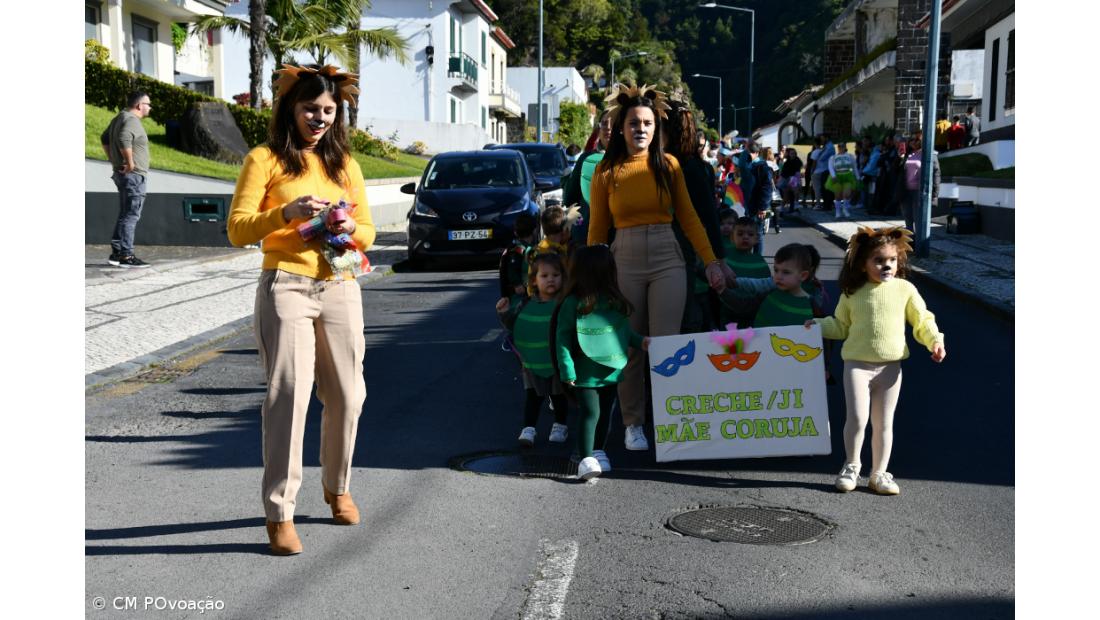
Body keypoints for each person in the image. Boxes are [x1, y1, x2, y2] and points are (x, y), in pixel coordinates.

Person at [227, 64, 376, 556]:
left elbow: (371, 234)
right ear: (291, 109)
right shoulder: (264, 159)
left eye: (329, 110)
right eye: (311, 108)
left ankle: (337, 487)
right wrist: (285, 214)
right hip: (286, 284)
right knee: (289, 396)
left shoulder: (345, 165)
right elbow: (238, 229)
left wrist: (346, 224)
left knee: (349, 395)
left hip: (340, 282)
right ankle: (280, 513)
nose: (320, 118)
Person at [587, 83, 726, 451]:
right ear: (621, 127)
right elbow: (597, 228)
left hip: (668, 257)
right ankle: (633, 423)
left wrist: (711, 262)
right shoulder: (606, 170)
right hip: (624, 260)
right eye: (634, 123)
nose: (641, 129)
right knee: (630, 346)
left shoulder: (669, 165)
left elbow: (691, 219)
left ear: (656, 128)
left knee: (667, 345)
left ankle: (672, 422)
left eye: (648, 123)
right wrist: (591, 279)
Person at [807, 227, 946, 495]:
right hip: (857, 365)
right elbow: (840, 326)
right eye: (879, 260)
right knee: (857, 418)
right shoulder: (852, 294)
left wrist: (935, 340)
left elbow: (923, 320)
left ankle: (879, 474)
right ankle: (851, 465)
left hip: (890, 368)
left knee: (884, 422)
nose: (887, 265)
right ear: (863, 264)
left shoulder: (905, 289)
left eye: (892, 260)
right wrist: (818, 325)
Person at [554, 244, 649, 479]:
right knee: (590, 413)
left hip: (610, 371)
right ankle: (585, 459)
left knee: (605, 414)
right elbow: (562, 339)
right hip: (584, 374)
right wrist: (567, 370)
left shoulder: (613, 300)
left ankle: (597, 451)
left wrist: (641, 342)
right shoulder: (571, 303)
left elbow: (621, 331)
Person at [662, 99, 730, 334]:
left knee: (682, 316)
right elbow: (710, 216)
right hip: (685, 249)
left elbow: (708, 216)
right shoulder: (698, 167)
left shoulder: (683, 168)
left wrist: (718, 260)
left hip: (679, 248)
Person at [496, 253, 571, 448]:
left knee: (558, 394)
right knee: (533, 396)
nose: (551, 279)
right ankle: (529, 428)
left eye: (555, 275)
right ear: (534, 281)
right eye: (544, 276)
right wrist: (504, 313)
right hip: (532, 361)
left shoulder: (565, 304)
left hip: (556, 360)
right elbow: (514, 325)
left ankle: (560, 425)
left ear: (563, 277)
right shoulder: (526, 304)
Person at [101, 91, 154, 268]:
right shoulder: (131, 120)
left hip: (125, 175)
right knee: (131, 215)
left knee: (125, 214)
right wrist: (130, 163)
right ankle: (126, 256)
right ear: (139, 105)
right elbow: (124, 137)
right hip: (133, 175)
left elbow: (104, 138)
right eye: (148, 104)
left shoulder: (119, 118)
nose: (150, 107)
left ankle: (117, 253)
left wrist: (113, 159)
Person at [564, 111, 612, 244]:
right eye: (604, 123)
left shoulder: (629, 160)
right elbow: (570, 198)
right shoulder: (586, 159)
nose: (608, 127)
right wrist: (578, 227)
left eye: (613, 123)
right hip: (586, 237)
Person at [753, 244, 815, 328]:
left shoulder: (812, 305)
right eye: (776, 270)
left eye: (786, 272)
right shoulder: (771, 296)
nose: (778, 276)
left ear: (803, 276)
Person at [900, 132, 940, 233]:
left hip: (919, 192)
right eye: (911, 139)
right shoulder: (908, 154)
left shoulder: (930, 155)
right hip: (905, 191)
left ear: (922, 141)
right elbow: (897, 170)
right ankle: (909, 244)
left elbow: (936, 174)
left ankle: (919, 245)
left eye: (915, 140)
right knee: (907, 218)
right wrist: (899, 158)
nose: (912, 142)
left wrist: (935, 194)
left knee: (919, 220)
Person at [746, 143, 775, 251]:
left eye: (751, 152)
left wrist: (763, 207)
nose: (748, 155)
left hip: (757, 207)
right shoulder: (746, 165)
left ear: (757, 153)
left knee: (757, 234)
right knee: (746, 234)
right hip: (746, 206)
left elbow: (767, 188)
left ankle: (758, 261)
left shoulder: (762, 167)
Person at [825, 142, 860, 219]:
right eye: (839, 146)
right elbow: (830, 167)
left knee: (846, 194)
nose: (841, 148)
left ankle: (845, 209)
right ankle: (838, 211)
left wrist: (857, 177)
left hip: (848, 176)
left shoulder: (850, 156)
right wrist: (833, 176)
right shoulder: (833, 157)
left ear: (845, 147)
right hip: (837, 177)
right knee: (838, 195)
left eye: (842, 146)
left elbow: (854, 167)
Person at [813, 134, 836, 213]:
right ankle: (827, 204)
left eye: (823, 138)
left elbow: (822, 158)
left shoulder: (829, 147)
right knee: (824, 188)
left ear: (827, 138)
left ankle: (828, 205)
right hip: (825, 169)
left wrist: (819, 155)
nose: (821, 140)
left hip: (828, 169)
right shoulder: (826, 146)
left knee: (826, 189)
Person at [778, 147, 803, 215]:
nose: (793, 155)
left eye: (794, 153)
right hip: (786, 180)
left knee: (795, 193)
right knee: (787, 196)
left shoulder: (797, 161)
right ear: (789, 154)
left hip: (793, 179)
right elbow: (784, 173)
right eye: (792, 153)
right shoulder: (787, 162)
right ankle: (782, 209)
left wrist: (798, 181)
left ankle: (793, 208)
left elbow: (797, 172)